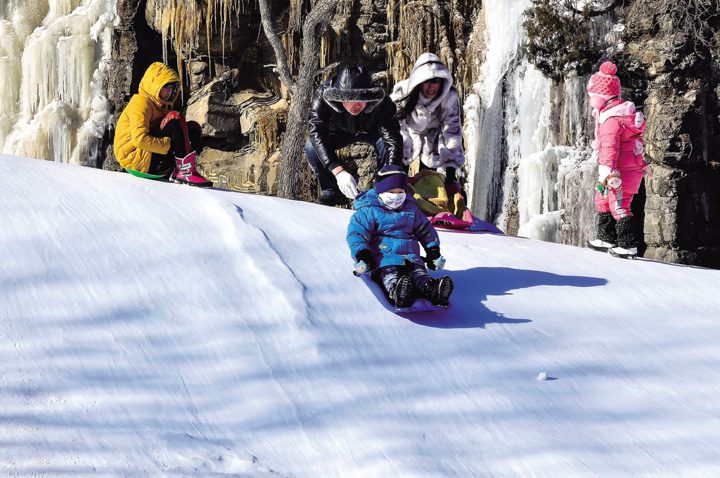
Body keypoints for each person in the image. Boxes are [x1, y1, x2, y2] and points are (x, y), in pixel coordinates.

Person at [347, 165, 454, 308]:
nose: (396, 196)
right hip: (384, 258)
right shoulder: (369, 211)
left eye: (400, 192)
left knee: (419, 274)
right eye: (392, 192)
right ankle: (397, 292)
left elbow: (425, 230)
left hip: (411, 257)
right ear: (381, 191)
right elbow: (357, 232)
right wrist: (363, 253)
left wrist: (432, 250)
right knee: (390, 275)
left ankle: (433, 290)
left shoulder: (411, 209)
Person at [306, 65, 404, 206]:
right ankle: (331, 192)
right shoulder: (322, 95)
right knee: (311, 147)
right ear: (339, 97)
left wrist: (392, 177)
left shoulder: (382, 101)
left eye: (361, 98)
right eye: (350, 99)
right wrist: (338, 172)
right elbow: (317, 132)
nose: (356, 104)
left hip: (371, 131)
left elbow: (392, 138)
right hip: (338, 132)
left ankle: (385, 190)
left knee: (386, 145)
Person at [585, 61, 649, 259]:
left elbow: (610, 149)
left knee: (619, 205)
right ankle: (606, 238)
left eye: (592, 95)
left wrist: (608, 171)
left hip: (619, 172)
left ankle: (628, 245)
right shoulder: (612, 115)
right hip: (618, 170)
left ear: (600, 98)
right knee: (602, 198)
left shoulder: (611, 120)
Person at [113, 62, 211, 187]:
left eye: (172, 88)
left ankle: (180, 169)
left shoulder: (161, 106)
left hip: (148, 155)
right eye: (166, 86)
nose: (169, 91)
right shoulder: (140, 102)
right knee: (175, 119)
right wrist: (168, 146)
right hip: (135, 158)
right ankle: (185, 171)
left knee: (193, 128)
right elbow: (139, 139)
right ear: (155, 85)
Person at [390, 53, 465, 188]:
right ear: (419, 81)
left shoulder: (449, 97)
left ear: (442, 81)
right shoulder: (402, 92)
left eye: (436, 81)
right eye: (427, 81)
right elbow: (396, 128)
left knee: (428, 184)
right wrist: (400, 155)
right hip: (407, 133)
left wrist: (451, 171)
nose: (431, 87)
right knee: (398, 179)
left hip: (433, 137)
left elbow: (452, 131)